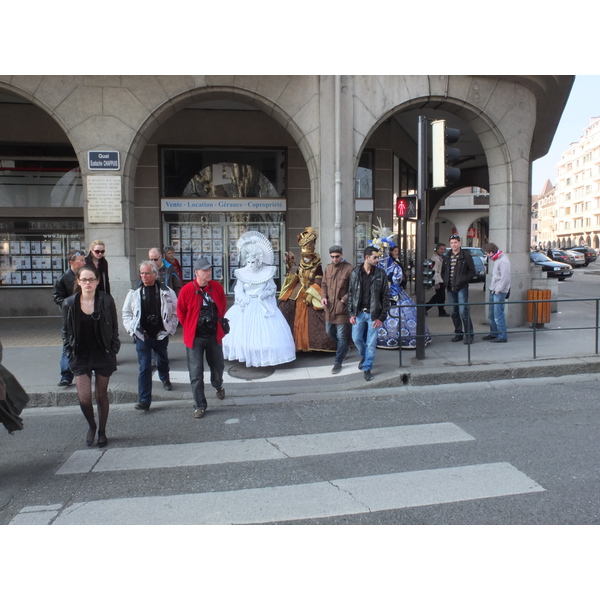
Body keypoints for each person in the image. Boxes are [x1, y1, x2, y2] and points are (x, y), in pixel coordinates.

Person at [61, 264, 120, 447]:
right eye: (84, 279)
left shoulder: (106, 300)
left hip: (102, 352)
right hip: (80, 354)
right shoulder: (69, 303)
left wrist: (113, 348)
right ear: (78, 281)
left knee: (100, 395)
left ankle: (102, 431)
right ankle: (92, 426)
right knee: (84, 398)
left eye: (91, 279)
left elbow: (114, 327)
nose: (88, 283)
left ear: (97, 281)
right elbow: (65, 331)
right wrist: (69, 353)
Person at [223, 231, 296, 367]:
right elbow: (239, 290)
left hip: (263, 305)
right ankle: (247, 353)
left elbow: (272, 288)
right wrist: (244, 299)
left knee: (265, 334)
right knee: (243, 333)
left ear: (259, 260)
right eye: (249, 262)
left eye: (254, 261)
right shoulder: (242, 274)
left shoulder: (266, 273)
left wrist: (264, 294)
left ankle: (264, 356)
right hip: (246, 305)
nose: (251, 264)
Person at [122, 260, 178, 411]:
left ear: (155, 274)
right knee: (144, 367)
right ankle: (144, 399)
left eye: (147, 273)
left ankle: (165, 378)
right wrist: (131, 329)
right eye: (141, 273)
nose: (144, 276)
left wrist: (170, 327)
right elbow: (126, 313)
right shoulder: (134, 292)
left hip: (161, 333)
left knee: (162, 360)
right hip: (142, 335)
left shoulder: (167, 291)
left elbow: (176, 311)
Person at [177, 257, 227, 419]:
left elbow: (223, 306)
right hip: (195, 338)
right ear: (196, 273)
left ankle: (218, 385)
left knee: (218, 367)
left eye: (209, 270)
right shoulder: (187, 290)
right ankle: (200, 405)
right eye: (205, 270)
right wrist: (191, 326)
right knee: (196, 372)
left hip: (213, 335)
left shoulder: (217, 287)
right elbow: (181, 312)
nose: (208, 272)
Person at [278, 227, 336, 352]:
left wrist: (311, 293)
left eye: (307, 255)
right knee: (284, 306)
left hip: (312, 291)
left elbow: (319, 281)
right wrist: (289, 270)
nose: (305, 257)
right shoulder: (300, 264)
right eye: (303, 255)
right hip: (298, 291)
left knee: (320, 314)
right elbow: (297, 277)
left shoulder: (318, 266)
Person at [347, 246, 390, 381]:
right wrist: (351, 313)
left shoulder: (380, 273)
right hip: (359, 313)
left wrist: (382, 317)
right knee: (356, 339)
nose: (377, 260)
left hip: (374, 314)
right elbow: (351, 294)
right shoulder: (355, 273)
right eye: (375, 257)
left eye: (377, 257)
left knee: (371, 342)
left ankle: (367, 367)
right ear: (367, 258)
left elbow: (385, 296)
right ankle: (365, 356)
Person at [53, 249, 87, 386]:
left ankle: (90, 368)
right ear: (72, 262)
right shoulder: (62, 279)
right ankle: (66, 375)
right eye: (81, 261)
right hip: (70, 317)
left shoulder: (86, 276)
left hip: (86, 313)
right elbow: (57, 297)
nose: (84, 263)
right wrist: (69, 305)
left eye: (85, 260)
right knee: (68, 343)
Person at [321, 244, 353, 374]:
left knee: (341, 336)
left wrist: (343, 300)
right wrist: (323, 297)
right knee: (329, 331)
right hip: (329, 307)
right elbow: (323, 284)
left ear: (342, 255)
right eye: (332, 257)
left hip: (342, 308)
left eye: (337, 256)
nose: (334, 259)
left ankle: (338, 362)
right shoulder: (328, 268)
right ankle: (344, 348)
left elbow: (353, 289)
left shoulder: (349, 269)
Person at [441, 234, 476, 344]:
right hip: (450, 287)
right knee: (453, 312)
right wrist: (445, 281)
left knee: (463, 311)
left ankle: (469, 335)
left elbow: (472, 272)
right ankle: (458, 333)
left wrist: (462, 280)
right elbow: (443, 271)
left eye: (455, 242)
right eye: (451, 243)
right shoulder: (447, 257)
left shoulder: (466, 256)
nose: (453, 245)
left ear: (459, 243)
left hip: (461, 287)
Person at [482, 242, 511, 343]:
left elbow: (505, 278)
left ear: (491, 252)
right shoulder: (497, 259)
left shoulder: (503, 261)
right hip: (494, 289)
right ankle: (494, 333)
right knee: (492, 314)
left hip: (499, 291)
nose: (487, 255)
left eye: (487, 253)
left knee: (498, 315)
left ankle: (502, 336)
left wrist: (498, 290)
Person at [425, 243, 450, 317]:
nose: (442, 251)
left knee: (442, 297)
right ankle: (425, 307)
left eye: (444, 249)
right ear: (437, 249)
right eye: (441, 249)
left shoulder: (440, 257)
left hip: (441, 279)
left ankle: (441, 311)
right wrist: (436, 282)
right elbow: (434, 271)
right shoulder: (434, 258)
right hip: (438, 279)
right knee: (439, 296)